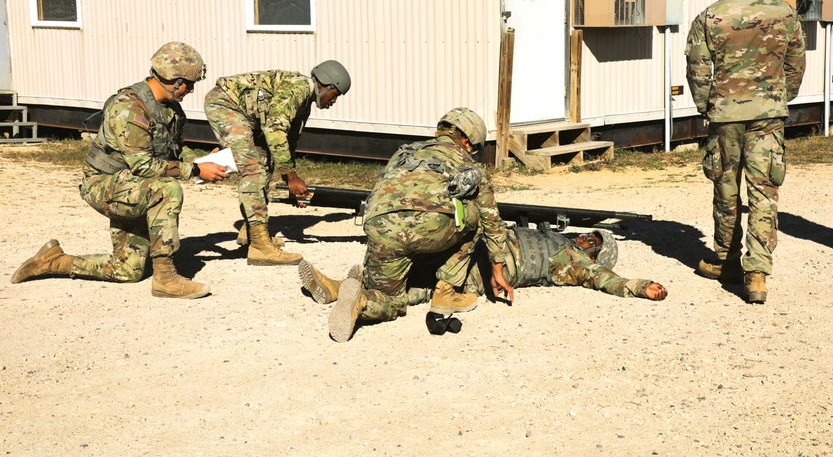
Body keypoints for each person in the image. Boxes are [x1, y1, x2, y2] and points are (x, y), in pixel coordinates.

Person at [10, 42, 230, 299]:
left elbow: (174, 151)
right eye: (188, 84)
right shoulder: (128, 108)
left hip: (134, 186)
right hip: (105, 186)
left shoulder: (171, 109)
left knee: (128, 270)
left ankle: (54, 261)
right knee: (167, 190)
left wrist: (203, 160)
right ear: (173, 80)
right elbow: (144, 166)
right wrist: (195, 171)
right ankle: (165, 278)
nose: (191, 90)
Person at [326, 107, 514, 342]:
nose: (472, 153)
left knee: (390, 299)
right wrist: (497, 269)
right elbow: (492, 221)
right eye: (473, 148)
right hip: (431, 229)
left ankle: (362, 301)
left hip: (380, 227)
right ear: (466, 139)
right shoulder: (467, 163)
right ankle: (447, 292)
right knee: (474, 214)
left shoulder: (403, 153)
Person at [685, 0, 805, 304]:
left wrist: (708, 107)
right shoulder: (784, 11)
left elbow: (698, 70)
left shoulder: (709, 16)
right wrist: (779, 98)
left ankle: (727, 261)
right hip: (768, 114)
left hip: (725, 116)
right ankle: (757, 275)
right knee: (764, 190)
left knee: (726, 189)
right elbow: (796, 63)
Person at [297, 224, 667, 308]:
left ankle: (361, 303)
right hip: (477, 249)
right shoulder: (556, 236)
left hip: (483, 272)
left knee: (424, 288)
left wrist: (639, 286)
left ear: (594, 256)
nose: (586, 239)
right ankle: (336, 287)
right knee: (415, 260)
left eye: (594, 244)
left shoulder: (574, 263)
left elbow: (606, 279)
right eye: (591, 235)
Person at [203, 61, 351, 266]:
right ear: (326, 86)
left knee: (265, 161)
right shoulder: (297, 90)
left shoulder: (304, 102)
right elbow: (275, 131)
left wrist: (291, 180)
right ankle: (260, 247)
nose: (333, 101)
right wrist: (291, 178)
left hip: (249, 117)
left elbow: (287, 142)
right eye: (335, 95)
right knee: (253, 165)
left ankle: (253, 231)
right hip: (226, 104)